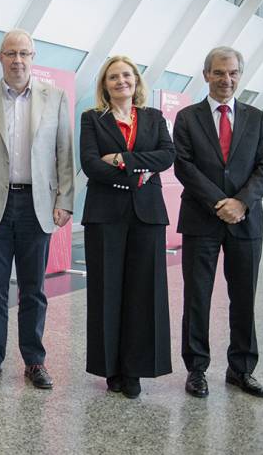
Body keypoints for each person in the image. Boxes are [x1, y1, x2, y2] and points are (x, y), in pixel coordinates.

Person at [0, 29, 74, 390]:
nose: (18, 60)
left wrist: (65, 200)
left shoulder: (54, 98)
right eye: (11, 53)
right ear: (1, 57)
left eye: (24, 53)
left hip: (36, 205)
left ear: (33, 57)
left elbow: (64, 154)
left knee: (34, 289)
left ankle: (34, 361)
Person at [175, 46, 263, 399]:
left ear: (240, 75)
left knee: (244, 297)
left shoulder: (257, 118)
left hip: (246, 222)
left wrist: (242, 203)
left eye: (232, 72)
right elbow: (184, 166)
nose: (226, 79)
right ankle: (197, 370)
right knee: (197, 297)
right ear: (206, 75)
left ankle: (241, 369)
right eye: (219, 72)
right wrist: (220, 202)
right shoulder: (187, 118)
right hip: (202, 219)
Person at [80, 55, 174, 398]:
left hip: (147, 212)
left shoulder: (153, 117)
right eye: (113, 77)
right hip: (105, 213)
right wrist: (137, 175)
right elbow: (90, 163)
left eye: (127, 75)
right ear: (105, 85)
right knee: (107, 291)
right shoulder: (92, 119)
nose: (121, 81)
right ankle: (111, 369)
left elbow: (167, 155)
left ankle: (134, 369)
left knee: (143, 292)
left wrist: (122, 161)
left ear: (136, 81)